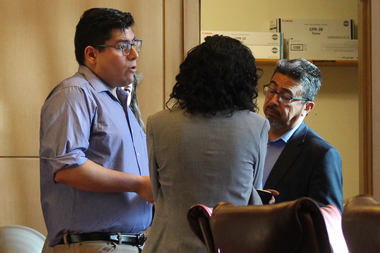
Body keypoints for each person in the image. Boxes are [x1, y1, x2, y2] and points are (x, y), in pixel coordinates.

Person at [39, 8, 153, 253]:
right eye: (123, 46)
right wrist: (138, 184)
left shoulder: (121, 103)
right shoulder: (75, 93)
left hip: (126, 244)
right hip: (93, 245)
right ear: (91, 54)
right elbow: (68, 169)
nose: (134, 54)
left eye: (134, 45)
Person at [142, 35, 269, 253]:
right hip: (230, 245)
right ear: (245, 81)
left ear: (189, 75)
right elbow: (253, 194)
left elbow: (157, 190)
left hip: (168, 245)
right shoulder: (257, 127)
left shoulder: (158, 123)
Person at [262, 58, 343, 213]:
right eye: (272, 90)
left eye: (285, 97)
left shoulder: (322, 155)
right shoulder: (251, 139)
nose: (273, 101)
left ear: (307, 107)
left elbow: (325, 222)